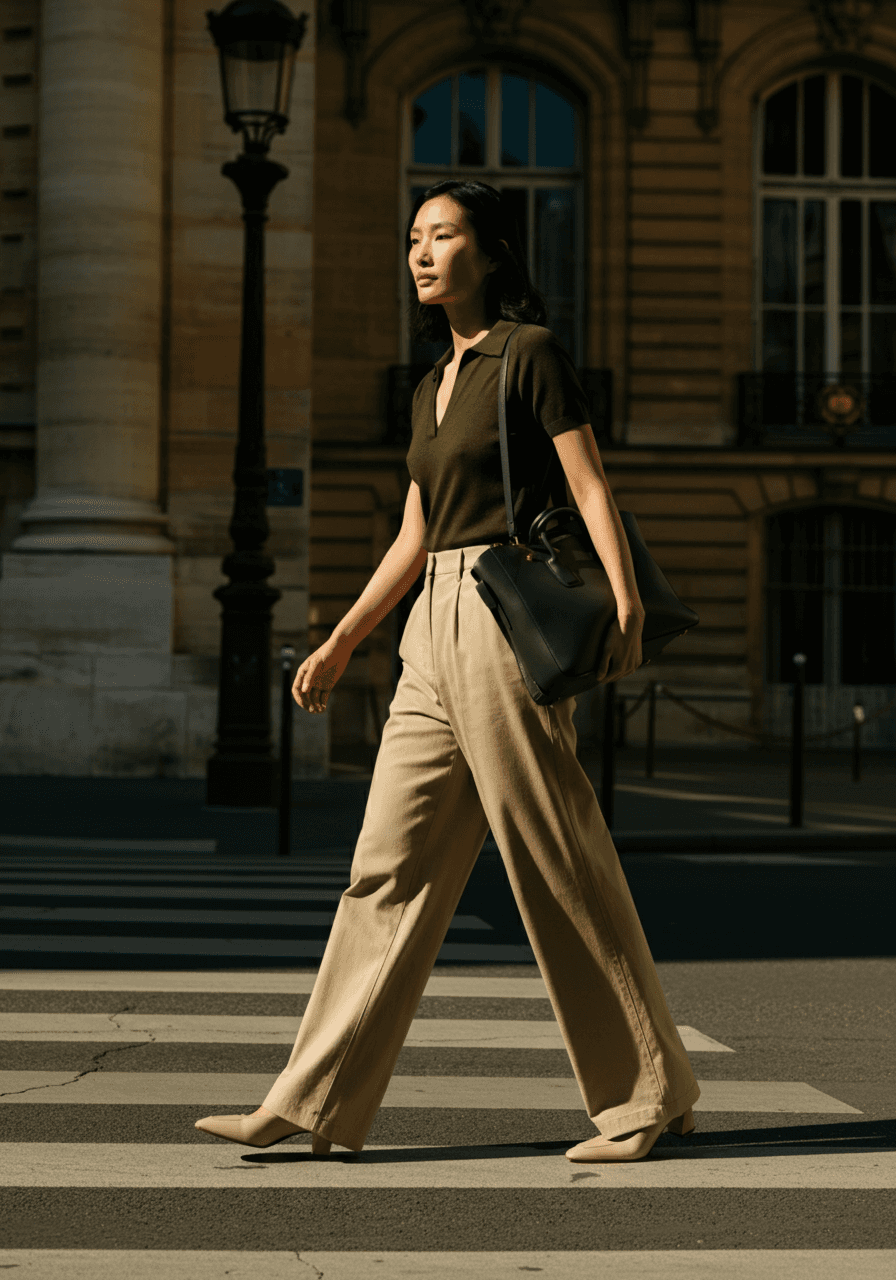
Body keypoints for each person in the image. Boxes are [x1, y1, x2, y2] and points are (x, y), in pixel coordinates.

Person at [195, 178, 700, 1163]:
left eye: (442, 234)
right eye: (412, 238)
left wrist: (626, 595)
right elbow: (411, 532)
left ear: (492, 248)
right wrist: (343, 638)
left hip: (503, 613)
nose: (420, 253)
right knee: (384, 864)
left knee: (553, 852)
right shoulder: (430, 384)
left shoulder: (529, 354)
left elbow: (588, 480)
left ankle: (645, 1091)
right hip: (429, 621)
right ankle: (313, 1098)